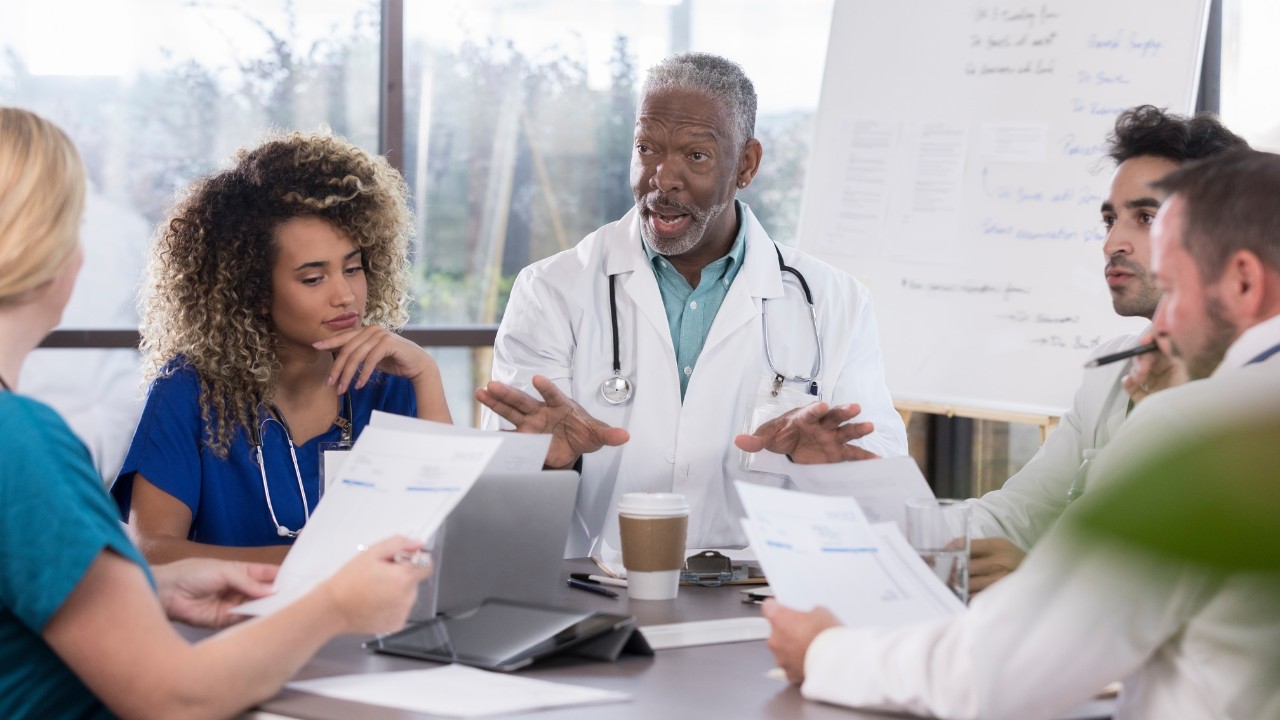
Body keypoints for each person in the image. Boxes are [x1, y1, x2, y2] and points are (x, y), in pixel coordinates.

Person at [762, 148, 1280, 720]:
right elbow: (1018, 515)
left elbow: (996, 672)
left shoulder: (1205, 435)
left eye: (1175, 289)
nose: (1164, 325)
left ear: (1243, 283)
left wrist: (825, 653)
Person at [0, 106, 431, 720]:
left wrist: (158, 588)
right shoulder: (20, 444)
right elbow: (177, 696)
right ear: (48, 250)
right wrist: (334, 599)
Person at [477, 53, 906, 555]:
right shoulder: (551, 290)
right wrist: (551, 461)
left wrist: (831, 473)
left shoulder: (835, 302)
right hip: (600, 591)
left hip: (763, 593)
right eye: (647, 149)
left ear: (746, 165)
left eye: (695, 156)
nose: (662, 179)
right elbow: (500, 503)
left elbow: (882, 484)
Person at [110, 131, 452, 564]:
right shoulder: (189, 390)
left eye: (353, 268)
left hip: (373, 624)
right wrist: (317, 563)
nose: (345, 295)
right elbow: (152, 550)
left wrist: (426, 375)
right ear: (251, 289)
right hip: (241, 625)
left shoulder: (389, 382)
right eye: (313, 278)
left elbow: (445, 535)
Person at [966, 106, 1246, 593]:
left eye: (1146, 218)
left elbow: (1196, 588)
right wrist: (869, 504)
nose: (1113, 242)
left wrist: (1042, 581)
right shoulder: (1110, 371)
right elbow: (1016, 518)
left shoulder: (1254, 390)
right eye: (1110, 220)